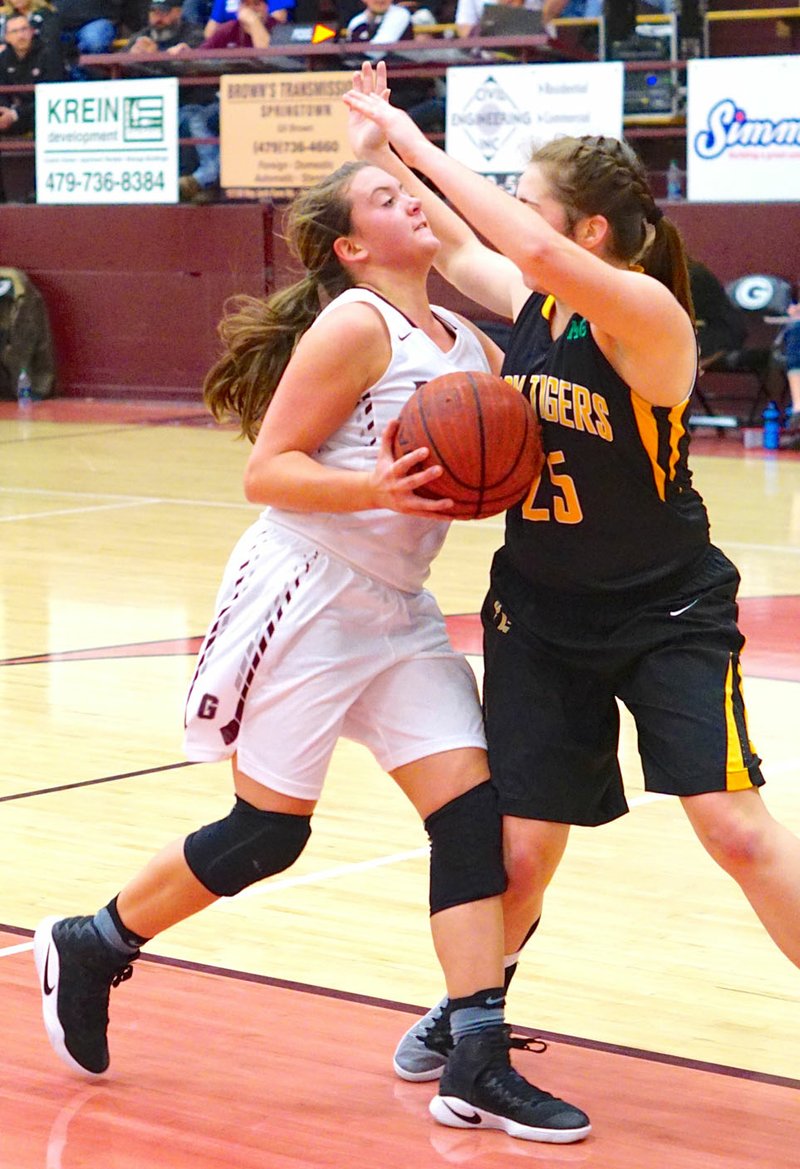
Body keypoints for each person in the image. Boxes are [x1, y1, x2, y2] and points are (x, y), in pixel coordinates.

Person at [32, 158, 591, 1146]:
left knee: (471, 818)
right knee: (267, 834)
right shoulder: (355, 323)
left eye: (406, 190)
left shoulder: (467, 340)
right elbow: (267, 470)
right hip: (309, 593)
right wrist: (375, 491)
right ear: (351, 247)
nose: (406, 201)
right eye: (383, 199)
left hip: (398, 609)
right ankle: (93, 941)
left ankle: (475, 1053)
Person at [344, 61, 800, 1085]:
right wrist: (381, 148)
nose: (514, 219)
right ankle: (472, 1012)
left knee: (730, 825)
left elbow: (523, 241)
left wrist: (414, 140)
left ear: (586, 231)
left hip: (664, 607)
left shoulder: (646, 318)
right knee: (519, 848)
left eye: (529, 196)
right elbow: (468, 241)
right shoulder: (537, 308)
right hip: (541, 612)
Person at [124, 0, 219, 203]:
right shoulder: (141, 37)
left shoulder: (192, 34)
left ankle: (201, 182)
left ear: (178, 12)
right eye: (154, 12)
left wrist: (157, 56)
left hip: (187, 104)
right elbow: (111, 65)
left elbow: (196, 71)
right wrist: (128, 58)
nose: (158, 18)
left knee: (190, 116)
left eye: (164, 12)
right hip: (148, 108)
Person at [0, 11, 64, 136]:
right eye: (15, 31)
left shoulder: (49, 53)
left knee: (39, 120)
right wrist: (4, 111)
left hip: (45, 113)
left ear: (32, 31)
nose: (20, 35)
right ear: (6, 37)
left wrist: (15, 113)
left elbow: (53, 97)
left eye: (24, 29)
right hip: (14, 113)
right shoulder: (3, 58)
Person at [199, 0, 273, 46]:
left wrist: (254, 21)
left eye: (256, 4)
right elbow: (201, 56)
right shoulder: (229, 28)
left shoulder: (276, 27)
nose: (251, 9)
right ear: (239, 8)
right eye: (246, 5)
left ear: (266, 7)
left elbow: (268, 59)